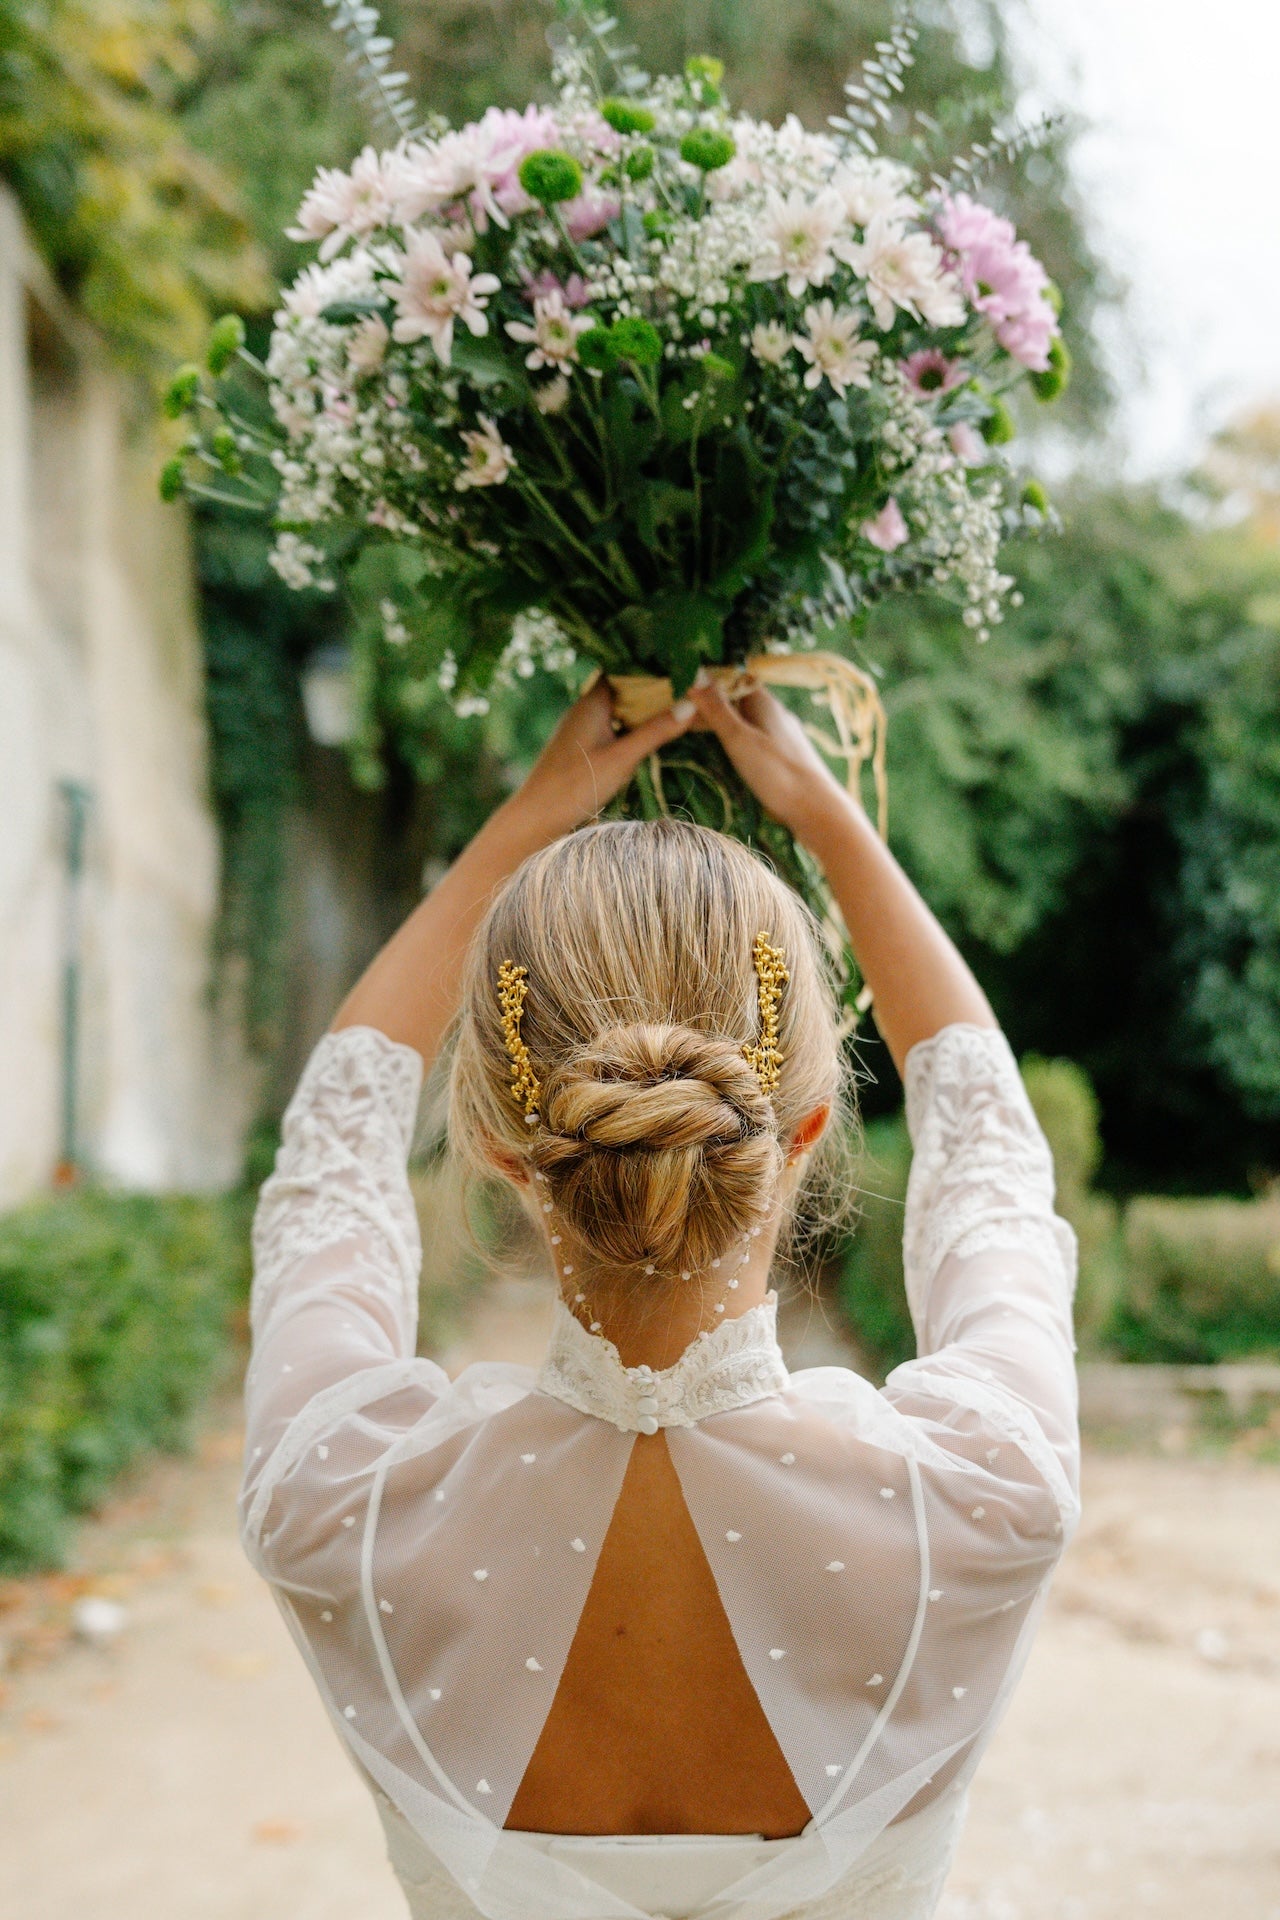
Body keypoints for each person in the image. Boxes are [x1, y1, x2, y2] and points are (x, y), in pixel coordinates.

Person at [240, 676, 1080, 1920]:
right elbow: (990, 1158)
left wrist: (526, 819)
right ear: (803, 1127)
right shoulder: (991, 1496)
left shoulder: (330, 1506)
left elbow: (332, 1159)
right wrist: (829, 822)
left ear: (499, 1147)